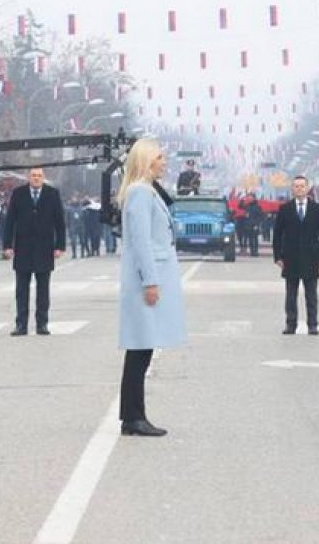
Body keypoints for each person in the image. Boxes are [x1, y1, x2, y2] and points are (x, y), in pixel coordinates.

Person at [116, 138, 187, 437]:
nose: (164, 162)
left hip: (151, 276)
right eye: (159, 157)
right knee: (140, 347)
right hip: (146, 279)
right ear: (146, 161)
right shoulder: (140, 193)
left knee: (142, 347)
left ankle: (133, 415)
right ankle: (133, 417)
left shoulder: (146, 192)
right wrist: (151, 281)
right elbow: (142, 242)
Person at [2, 167, 66, 336]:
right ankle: (21, 324)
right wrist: (8, 245)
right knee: (21, 290)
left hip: (44, 248)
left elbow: (60, 221)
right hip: (23, 248)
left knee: (43, 290)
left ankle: (42, 324)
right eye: (33, 176)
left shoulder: (52, 194)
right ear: (28, 178)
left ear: (43, 178)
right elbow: (10, 221)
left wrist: (60, 246)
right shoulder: (18, 194)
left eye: (39, 176)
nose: (36, 178)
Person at [273, 176, 319, 335]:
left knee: (311, 295)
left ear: (307, 188)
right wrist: (277, 256)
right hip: (290, 258)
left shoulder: (318, 209)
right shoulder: (285, 209)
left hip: (311, 258)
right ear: (292, 189)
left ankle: (312, 324)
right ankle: (291, 324)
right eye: (296, 186)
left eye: (302, 186)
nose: (299, 189)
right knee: (291, 295)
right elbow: (277, 234)